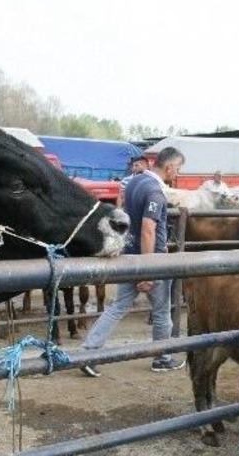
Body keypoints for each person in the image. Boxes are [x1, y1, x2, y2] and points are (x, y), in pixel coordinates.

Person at [82, 147, 186, 376]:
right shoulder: (156, 192)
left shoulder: (135, 182)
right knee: (161, 313)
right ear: (168, 166)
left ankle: (88, 352)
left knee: (117, 307)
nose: (176, 174)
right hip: (152, 260)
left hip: (129, 256)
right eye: (177, 169)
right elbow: (149, 229)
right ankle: (162, 357)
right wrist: (147, 271)